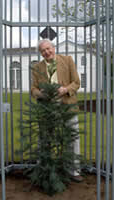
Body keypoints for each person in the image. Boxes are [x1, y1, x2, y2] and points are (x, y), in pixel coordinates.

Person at [31, 39, 82, 182]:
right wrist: (40, 94)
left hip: (68, 105)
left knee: (73, 138)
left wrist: (65, 89)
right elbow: (33, 89)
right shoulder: (37, 68)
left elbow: (77, 82)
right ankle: (43, 169)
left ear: (54, 48)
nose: (47, 52)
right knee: (45, 139)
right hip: (47, 108)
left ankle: (74, 171)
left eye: (48, 48)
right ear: (41, 53)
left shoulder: (68, 60)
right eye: (43, 51)